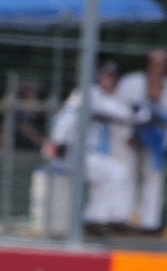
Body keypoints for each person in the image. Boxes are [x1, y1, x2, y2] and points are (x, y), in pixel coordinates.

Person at [47, 60, 137, 235]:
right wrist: (137, 113)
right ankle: (93, 218)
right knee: (116, 172)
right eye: (106, 76)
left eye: (113, 78)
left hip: (81, 153)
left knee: (113, 172)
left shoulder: (94, 94)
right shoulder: (91, 93)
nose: (109, 81)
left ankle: (108, 218)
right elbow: (120, 113)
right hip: (71, 153)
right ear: (98, 76)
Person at [116, 50, 167, 235]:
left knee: (153, 176)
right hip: (129, 136)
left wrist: (160, 145)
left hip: (156, 139)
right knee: (126, 174)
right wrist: (128, 136)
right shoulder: (131, 82)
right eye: (153, 62)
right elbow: (119, 110)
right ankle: (124, 219)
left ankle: (150, 223)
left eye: (161, 63)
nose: (157, 67)